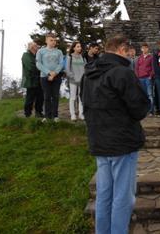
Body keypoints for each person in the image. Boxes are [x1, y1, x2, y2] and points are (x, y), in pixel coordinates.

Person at [81, 35, 149, 234]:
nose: (129, 53)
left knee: (104, 194)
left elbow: (84, 105)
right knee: (123, 196)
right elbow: (140, 108)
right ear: (120, 49)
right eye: (127, 50)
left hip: (99, 141)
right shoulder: (122, 73)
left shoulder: (88, 74)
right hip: (122, 143)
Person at [36, 33, 64, 122]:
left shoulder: (59, 52)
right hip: (44, 77)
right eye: (51, 40)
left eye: (55, 40)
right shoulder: (41, 51)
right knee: (47, 96)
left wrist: (54, 73)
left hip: (56, 77)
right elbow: (38, 64)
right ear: (46, 41)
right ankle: (47, 116)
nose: (53, 42)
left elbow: (61, 63)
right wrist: (48, 73)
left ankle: (55, 116)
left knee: (55, 96)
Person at [21, 42, 44, 118]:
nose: (37, 47)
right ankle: (27, 114)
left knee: (40, 97)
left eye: (37, 46)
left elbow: (41, 64)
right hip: (30, 80)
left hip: (39, 80)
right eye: (35, 46)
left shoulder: (37, 56)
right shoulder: (26, 55)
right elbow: (31, 67)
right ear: (31, 47)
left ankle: (38, 112)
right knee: (30, 98)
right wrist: (42, 69)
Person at [66, 41, 86, 121]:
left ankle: (81, 114)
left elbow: (85, 68)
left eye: (80, 46)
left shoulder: (83, 57)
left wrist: (84, 78)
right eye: (78, 46)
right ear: (73, 48)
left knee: (81, 98)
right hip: (73, 81)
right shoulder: (69, 57)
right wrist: (73, 77)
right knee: (73, 98)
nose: (79, 48)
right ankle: (73, 114)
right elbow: (67, 69)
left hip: (82, 81)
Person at [135, 43, 154, 116]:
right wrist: (137, 76)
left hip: (147, 78)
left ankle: (151, 111)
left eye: (146, 48)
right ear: (141, 49)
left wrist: (150, 75)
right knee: (143, 95)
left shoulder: (151, 57)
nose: (144, 49)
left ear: (148, 49)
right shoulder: (139, 58)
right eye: (143, 48)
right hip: (140, 78)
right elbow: (136, 68)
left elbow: (153, 68)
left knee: (150, 95)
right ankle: (144, 110)